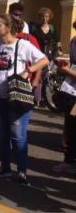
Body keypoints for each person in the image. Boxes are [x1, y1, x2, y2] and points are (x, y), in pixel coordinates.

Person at [0, 14, 48, 186]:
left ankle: (22, 172)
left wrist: (28, 70)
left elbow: (44, 60)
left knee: (18, 136)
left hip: (17, 98)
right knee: (2, 135)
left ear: (8, 27)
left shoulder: (22, 45)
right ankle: (5, 168)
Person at [52, 21, 76, 174]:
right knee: (70, 128)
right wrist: (63, 68)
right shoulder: (73, 41)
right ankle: (69, 161)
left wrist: (66, 71)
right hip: (71, 90)